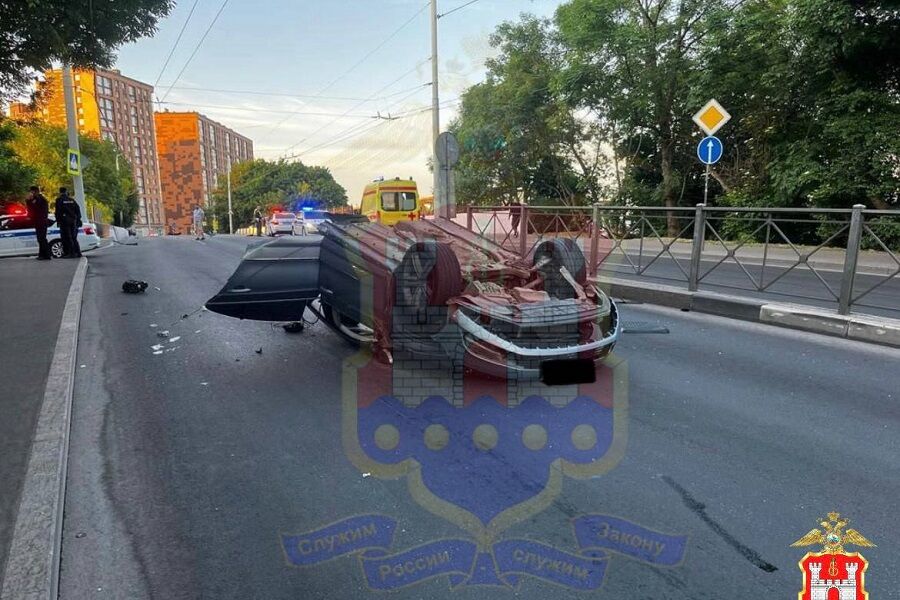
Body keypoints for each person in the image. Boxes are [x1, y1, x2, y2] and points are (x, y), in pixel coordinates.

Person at [54, 187, 82, 258]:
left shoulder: (59, 200)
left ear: (60, 192)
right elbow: (78, 210)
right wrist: (77, 219)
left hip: (64, 221)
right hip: (73, 221)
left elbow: (58, 212)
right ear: (66, 192)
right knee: (73, 237)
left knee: (66, 237)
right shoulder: (72, 200)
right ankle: (78, 252)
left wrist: (58, 221)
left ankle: (70, 253)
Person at [25, 186, 51, 260]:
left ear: (35, 191)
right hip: (40, 221)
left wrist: (28, 201)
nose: (30, 193)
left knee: (41, 239)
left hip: (41, 221)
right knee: (41, 239)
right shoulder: (39, 198)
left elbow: (34, 208)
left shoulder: (39, 199)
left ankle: (46, 255)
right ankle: (42, 255)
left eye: (31, 191)